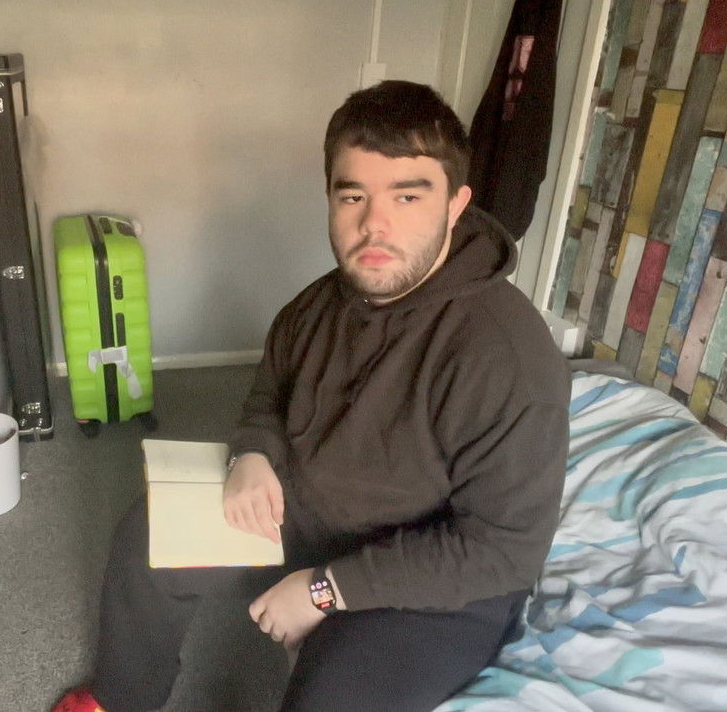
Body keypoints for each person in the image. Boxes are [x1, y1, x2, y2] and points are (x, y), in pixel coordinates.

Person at [54, 80, 570, 712]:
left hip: (434, 576)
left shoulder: (508, 358)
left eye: (407, 196)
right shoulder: (312, 308)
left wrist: (325, 590)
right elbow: (269, 395)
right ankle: (119, 698)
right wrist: (251, 454)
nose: (374, 223)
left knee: (327, 697)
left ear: (456, 204)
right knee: (147, 538)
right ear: (330, 197)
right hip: (311, 513)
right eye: (353, 195)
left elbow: (502, 552)